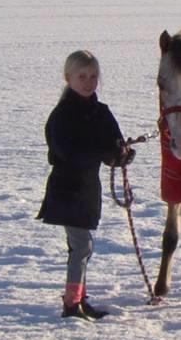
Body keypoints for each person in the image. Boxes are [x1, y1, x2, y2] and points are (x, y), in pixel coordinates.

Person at [37, 50, 135, 321]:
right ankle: (71, 303)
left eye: (93, 76)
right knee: (81, 247)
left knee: (83, 247)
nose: (89, 82)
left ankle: (78, 299)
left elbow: (113, 146)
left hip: (89, 190)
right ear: (68, 78)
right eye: (82, 76)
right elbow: (69, 152)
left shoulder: (100, 112)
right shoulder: (62, 115)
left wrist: (121, 154)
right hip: (66, 188)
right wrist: (103, 152)